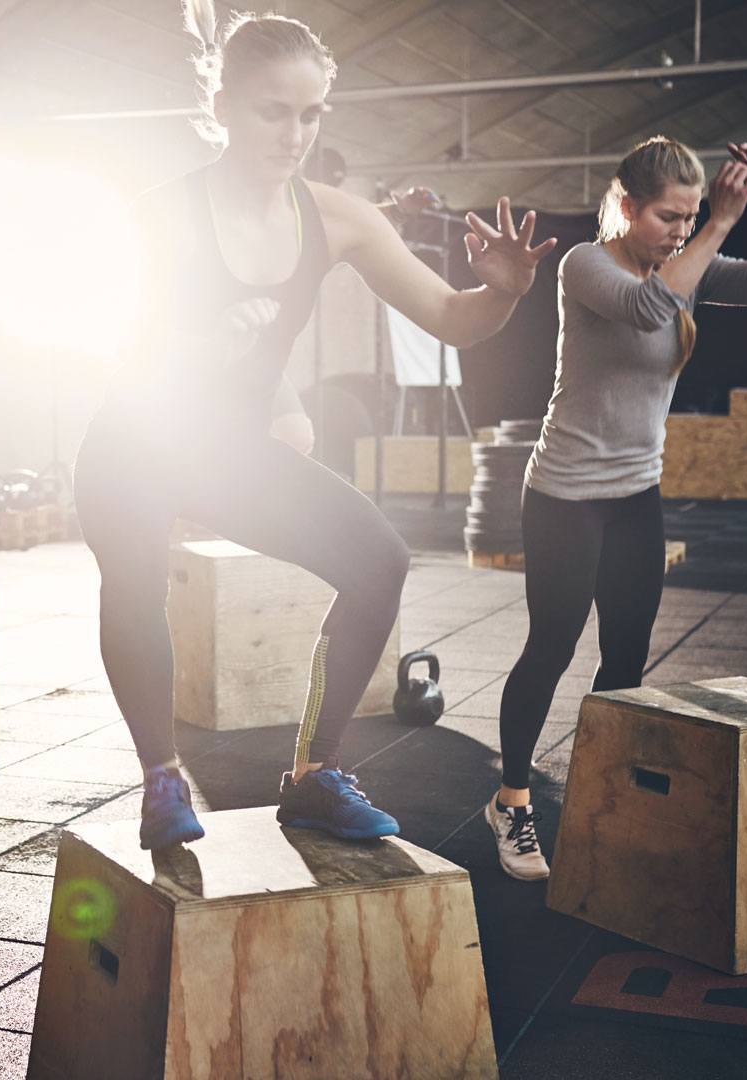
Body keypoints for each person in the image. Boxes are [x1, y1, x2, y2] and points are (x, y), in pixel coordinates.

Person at [79, 0, 555, 849]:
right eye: (273, 110)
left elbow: (451, 315)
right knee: (135, 582)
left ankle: (313, 775)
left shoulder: (336, 216)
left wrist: (505, 293)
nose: (294, 132)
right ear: (222, 106)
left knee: (380, 559)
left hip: (226, 450)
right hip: (136, 443)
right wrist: (191, 345)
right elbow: (107, 352)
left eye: (310, 114)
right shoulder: (159, 214)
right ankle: (161, 780)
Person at [487, 137, 747, 880]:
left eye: (692, 216)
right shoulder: (587, 266)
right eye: (670, 216)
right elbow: (644, 308)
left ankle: (606, 791)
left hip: (636, 494)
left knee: (627, 656)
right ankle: (511, 800)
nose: (681, 230)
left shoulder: (682, 269)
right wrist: (721, 225)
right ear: (627, 207)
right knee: (552, 648)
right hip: (566, 495)